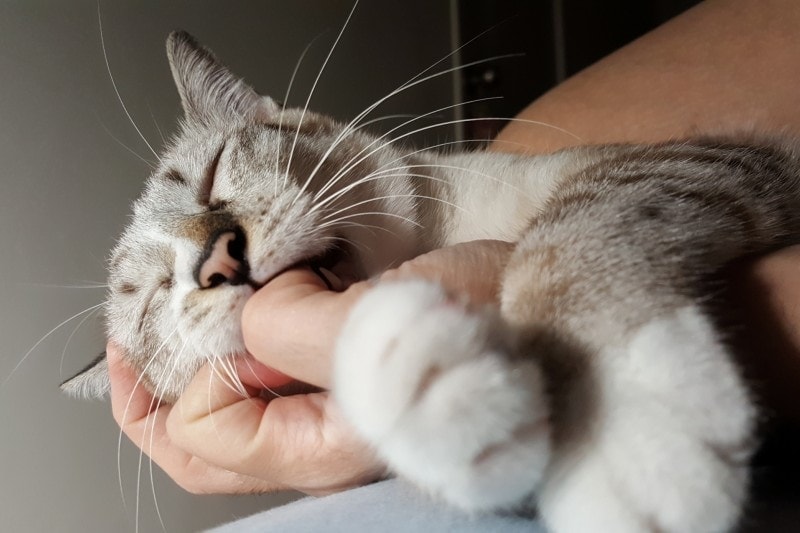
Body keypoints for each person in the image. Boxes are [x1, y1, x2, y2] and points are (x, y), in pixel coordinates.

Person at [108, 0, 800, 528]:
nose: (213, 256)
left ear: (277, 117)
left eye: (215, 179)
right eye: (157, 295)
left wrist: (565, 301)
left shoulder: (511, 163)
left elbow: (758, 173)